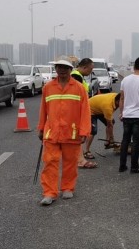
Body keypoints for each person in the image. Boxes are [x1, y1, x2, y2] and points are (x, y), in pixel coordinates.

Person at [37, 59, 91, 206]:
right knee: (50, 162)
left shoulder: (79, 88)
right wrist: (41, 128)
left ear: (70, 69)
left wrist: (84, 131)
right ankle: (49, 192)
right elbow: (44, 110)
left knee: (70, 162)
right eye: (59, 67)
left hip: (71, 132)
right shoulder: (48, 87)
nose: (62, 70)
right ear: (56, 69)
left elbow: (85, 111)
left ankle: (68, 187)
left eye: (65, 68)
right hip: (52, 132)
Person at [69, 58, 98, 168]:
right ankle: (79, 160)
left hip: (79, 110)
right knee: (77, 136)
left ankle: (80, 159)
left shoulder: (79, 76)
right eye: (90, 69)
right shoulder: (76, 77)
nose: (91, 72)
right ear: (84, 67)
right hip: (76, 112)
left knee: (76, 137)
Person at [83, 93, 121, 161]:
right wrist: (112, 138)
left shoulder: (116, 97)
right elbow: (110, 125)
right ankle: (86, 151)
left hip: (99, 108)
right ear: (118, 101)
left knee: (111, 122)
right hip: (89, 109)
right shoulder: (108, 106)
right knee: (93, 130)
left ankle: (107, 142)